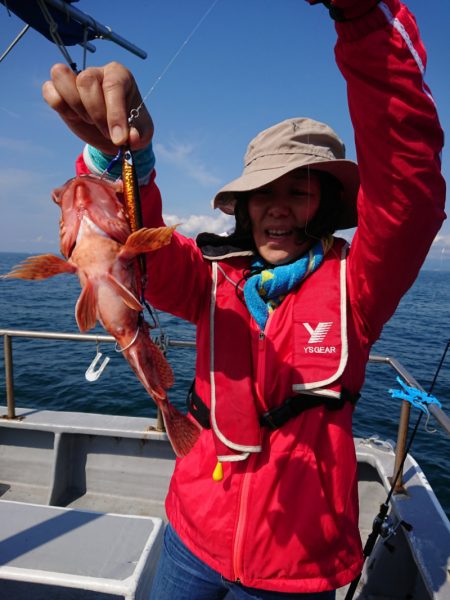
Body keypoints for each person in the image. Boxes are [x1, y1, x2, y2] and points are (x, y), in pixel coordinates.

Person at [42, 0, 446, 597]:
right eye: (263, 193)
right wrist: (119, 156)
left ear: (324, 206)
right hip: (190, 534)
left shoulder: (358, 288)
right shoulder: (209, 276)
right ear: (245, 207)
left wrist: (363, 22)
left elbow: (408, 194)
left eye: (298, 190)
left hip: (296, 568)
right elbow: (132, 247)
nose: (278, 206)